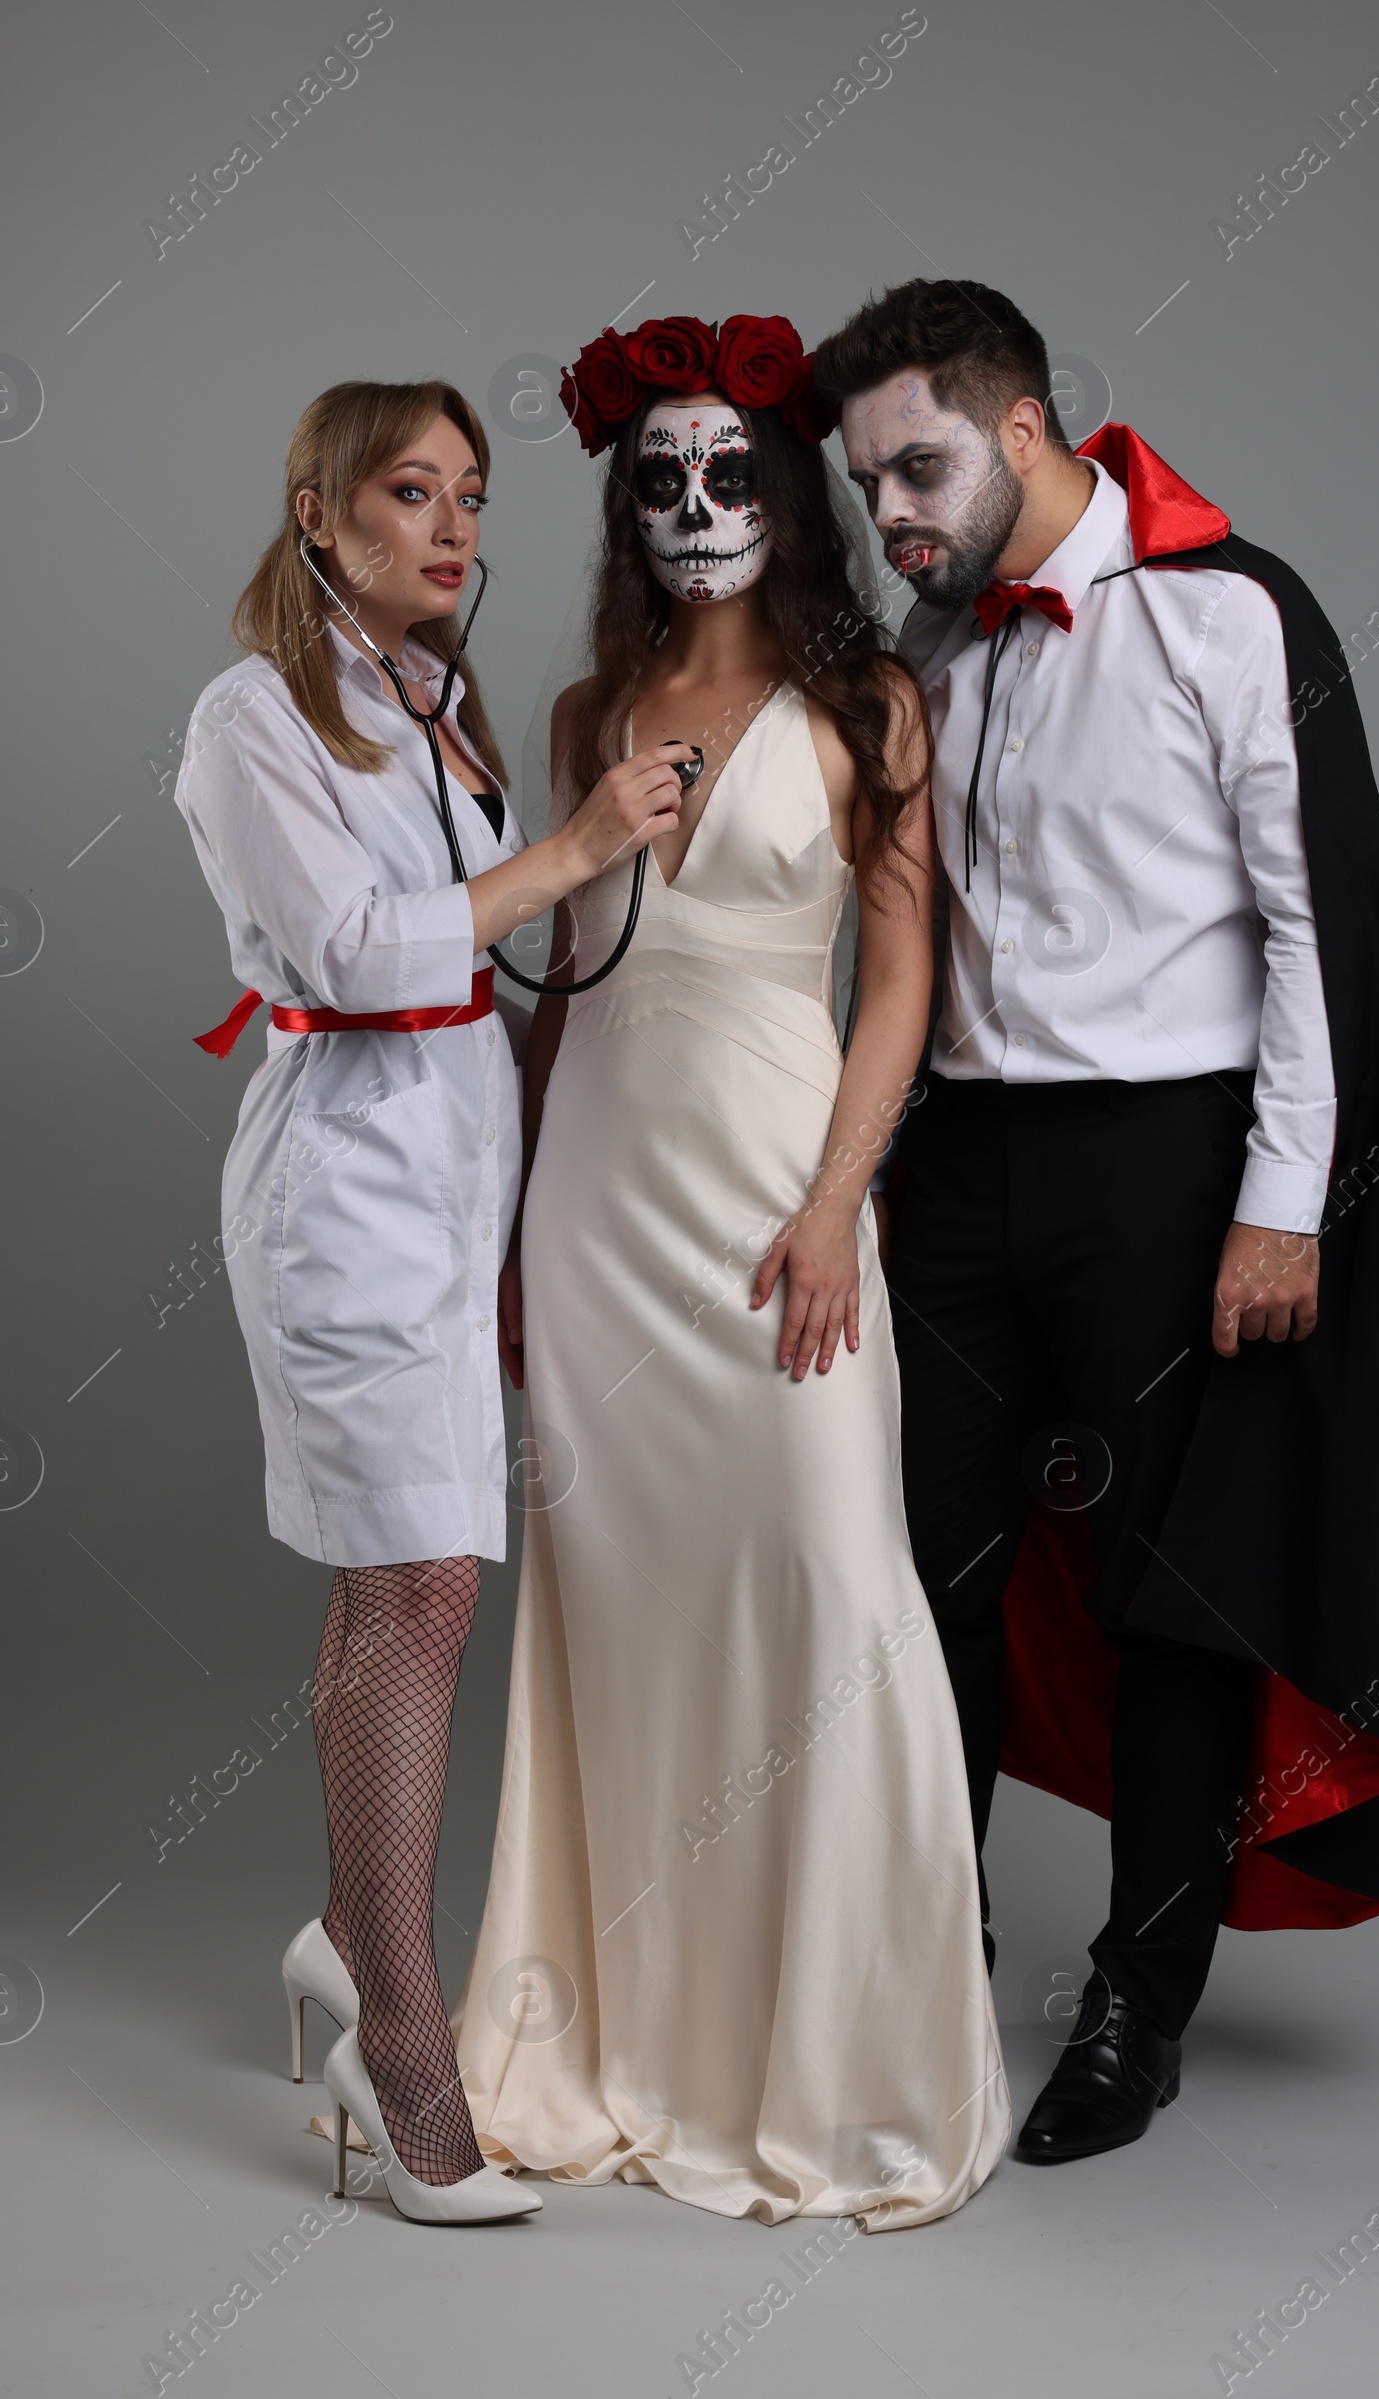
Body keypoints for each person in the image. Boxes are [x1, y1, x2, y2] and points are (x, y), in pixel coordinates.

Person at [814, 282, 1379, 2163]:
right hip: (966, 1168)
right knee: (922, 1577)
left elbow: (1320, 924)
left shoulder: (1230, 609)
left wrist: (1285, 1204)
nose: (891, 514)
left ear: (1021, 431)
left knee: (1177, 1599)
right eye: (864, 483)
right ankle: (935, 1955)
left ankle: (1139, 2006)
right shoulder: (935, 638)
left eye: (916, 466)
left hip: (1174, 1172)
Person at [452, 313, 1009, 2229]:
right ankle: (635, 2031)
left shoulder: (874, 708)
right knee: (621, 1614)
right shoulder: (590, 710)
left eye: (736, 473)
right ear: (635, 503)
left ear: (787, 492)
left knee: (829, 1581)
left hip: (781, 1182)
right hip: (598, 1201)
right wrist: (510, 1235)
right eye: (664, 480)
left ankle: (840, 2067)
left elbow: (906, 974)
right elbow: (558, 987)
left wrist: (839, 1200)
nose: (701, 508)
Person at [178, 379, 690, 2223]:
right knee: (422, 1592)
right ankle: (401, 2038)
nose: (455, 527)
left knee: (391, 1581)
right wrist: (575, 850)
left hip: (452, 1187)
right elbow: (355, 948)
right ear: (320, 514)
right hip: (345, 1203)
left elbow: (479, 961)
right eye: (412, 492)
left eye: (472, 495)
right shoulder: (253, 718)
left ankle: (343, 1938)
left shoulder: (434, 703)